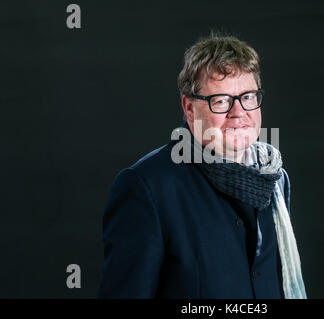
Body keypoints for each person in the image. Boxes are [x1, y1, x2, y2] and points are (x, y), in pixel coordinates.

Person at [98, 33, 307, 299]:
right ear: (189, 107)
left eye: (248, 97)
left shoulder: (274, 177)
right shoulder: (147, 187)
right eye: (221, 101)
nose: (239, 113)